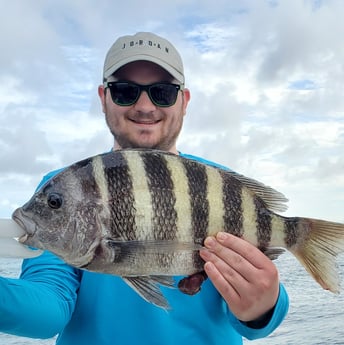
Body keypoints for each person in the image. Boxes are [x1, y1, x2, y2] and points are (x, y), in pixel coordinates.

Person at [0, 32, 289, 344]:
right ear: (103, 97)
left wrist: (264, 304)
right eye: (125, 91)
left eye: (162, 92)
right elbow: (49, 308)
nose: (145, 106)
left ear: (184, 100)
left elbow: (254, 320)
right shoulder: (65, 189)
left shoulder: (219, 186)